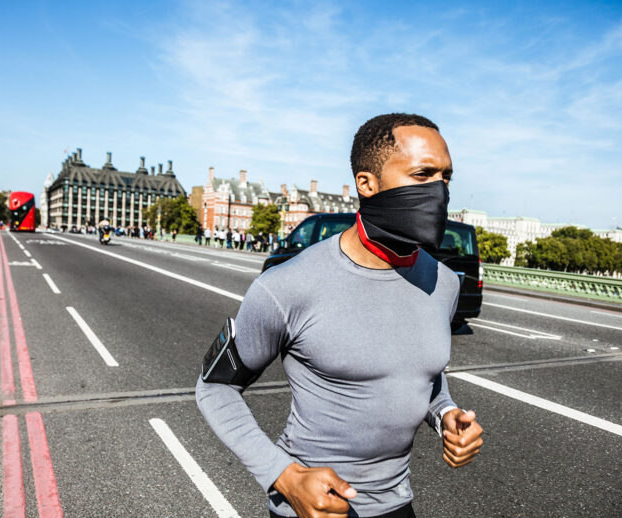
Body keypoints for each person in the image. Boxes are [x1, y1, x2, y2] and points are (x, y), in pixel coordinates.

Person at [196, 113, 483, 518]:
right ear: (367, 184)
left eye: (446, 177)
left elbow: (424, 373)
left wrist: (445, 415)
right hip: (311, 508)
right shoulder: (287, 285)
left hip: (398, 505)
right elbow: (215, 389)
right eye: (423, 174)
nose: (439, 190)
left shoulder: (443, 283)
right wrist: (283, 476)